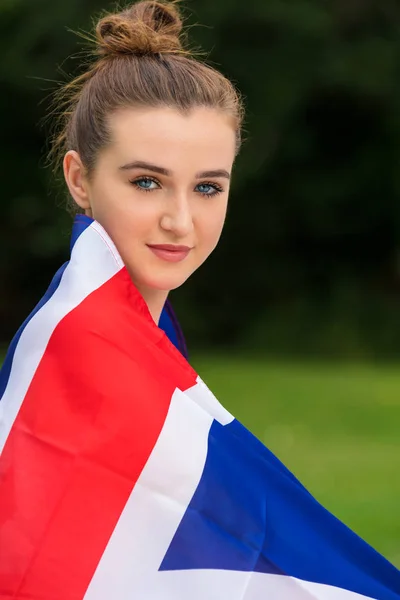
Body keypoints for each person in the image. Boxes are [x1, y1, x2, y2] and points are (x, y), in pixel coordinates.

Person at [0, 2, 399, 599]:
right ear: (80, 178)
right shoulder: (82, 354)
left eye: (208, 187)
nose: (180, 221)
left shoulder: (136, 344)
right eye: (146, 182)